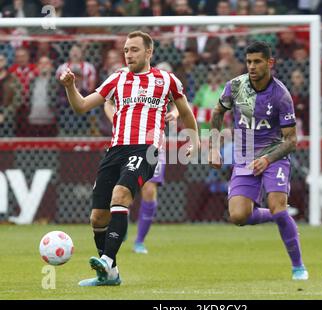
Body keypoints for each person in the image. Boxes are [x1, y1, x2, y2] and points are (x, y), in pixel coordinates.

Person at [59, 30, 199, 286]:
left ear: (149, 52)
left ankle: (108, 261)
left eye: (134, 49)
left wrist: (195, 140)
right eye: (125, 50)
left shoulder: (166, 80)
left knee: (121, 195)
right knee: (98, 217)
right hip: (116, 150)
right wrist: (70, 87)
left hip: (145, 149)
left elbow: (186, 112)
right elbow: (80, 106)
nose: (128, 54)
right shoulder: (117, 79)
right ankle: (109, 275)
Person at [208, 41, 308, 280]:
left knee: (277, 205)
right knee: (239, 217)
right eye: (249, 62)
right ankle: (279, 216)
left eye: (257, 62)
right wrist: (213, 147)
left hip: (274, 156)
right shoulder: (235, 86)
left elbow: (291, 141)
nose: (252, 66)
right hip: (244, 157)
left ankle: (298, 267)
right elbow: (217, 112)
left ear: (269, 63)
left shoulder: (281, 95)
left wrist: (267, 158)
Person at [103, 98, 179, 254]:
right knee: (124, 189)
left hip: (153, 144)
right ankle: (121, 223)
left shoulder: (162, 78)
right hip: (125, 143)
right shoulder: (122, 75)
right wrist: (116, 119)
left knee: (149, 191)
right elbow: (108, 102)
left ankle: (139, 241)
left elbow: (179, 101)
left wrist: (174, 113)